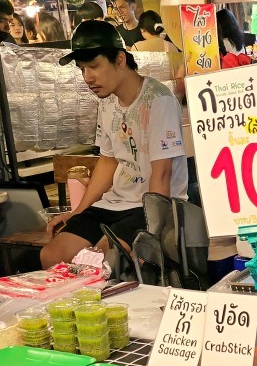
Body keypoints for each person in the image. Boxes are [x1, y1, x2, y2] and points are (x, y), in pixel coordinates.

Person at [41, 20, 188, 267]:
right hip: (113, 204)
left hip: (155, 206)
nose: (88, 77)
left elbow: (162, 174)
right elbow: (108, 162)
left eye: (94, 66)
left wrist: (152, 232)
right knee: (51, 256)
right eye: (82, 69)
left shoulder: (158, 99)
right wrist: (76, 213)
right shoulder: (107, 102)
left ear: (120, 60)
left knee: (101, 260)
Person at [137, 9, 186, 101]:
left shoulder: (136, 47)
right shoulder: (171, 47)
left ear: (143, 29)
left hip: (144, 98)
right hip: (169, 97)